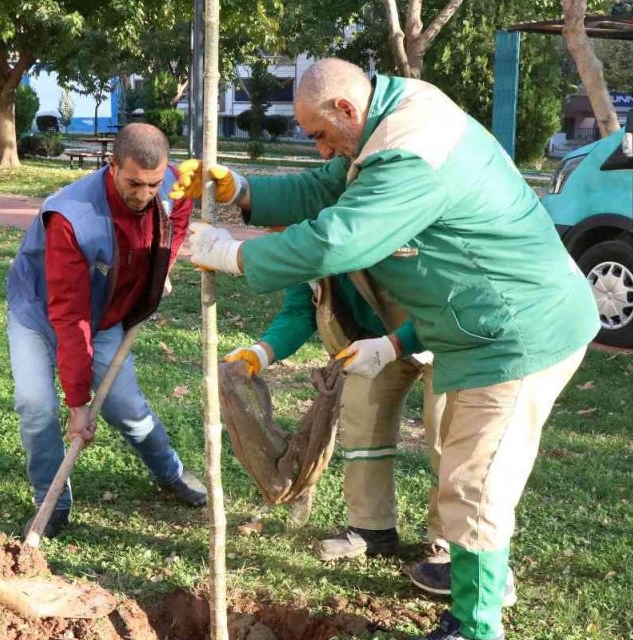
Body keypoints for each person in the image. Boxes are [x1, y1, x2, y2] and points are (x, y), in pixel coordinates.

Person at [176, 58, 597, 640]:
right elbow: (327, 189)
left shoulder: (410, 152)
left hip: (516, 332)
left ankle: (477, 627)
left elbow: (336, 240)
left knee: (475, 483)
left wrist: (233, 254)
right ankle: (475, 593)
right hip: (476, 325)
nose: (322, 151)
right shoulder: (384, 120)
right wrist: (243, 193)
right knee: (467, 473)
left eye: (321, 135)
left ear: (347, 109)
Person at [6, 124, 207, 540]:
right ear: (111, 165)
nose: (144, 194)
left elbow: (182, 213)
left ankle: (170, 472)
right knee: (36, 406)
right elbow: (69, 314)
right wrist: (77, 402)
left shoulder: (171, 186)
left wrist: (163, 267)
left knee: (127, 409)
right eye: (134, 182)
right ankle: (53, 500)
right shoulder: (72, 217)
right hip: (41, 311)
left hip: (106, 314)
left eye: (153, 184)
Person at [224, 271, 454, 562]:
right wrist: (261, 352)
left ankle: (448, 540)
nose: (279, 238)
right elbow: (299, 311)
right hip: (374, 340)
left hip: (442, 334)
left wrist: (232, 254)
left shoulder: (356, 229)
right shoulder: (300, 246)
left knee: (447, 436)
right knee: (361, 419)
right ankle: (373, 530)